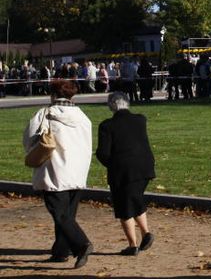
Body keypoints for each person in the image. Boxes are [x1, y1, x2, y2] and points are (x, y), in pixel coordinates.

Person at [24, 79, 95, 267]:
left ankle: (81, 244)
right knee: (68, 215)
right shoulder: (83, 117)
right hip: (77, 171)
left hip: (54, 169)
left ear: (53, 94)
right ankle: (61, 250)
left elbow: (29, 141)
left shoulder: (44, 114)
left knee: (60, 214)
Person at [95, 92, 156, 255]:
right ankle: (145, 234)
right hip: (144, 167)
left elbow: (103, 153)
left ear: (111, 105)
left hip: (122, 170)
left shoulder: (106, 126)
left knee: (124, 206)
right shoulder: (140, 119)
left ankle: (133, 245)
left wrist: (112, 165)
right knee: (134, 198)